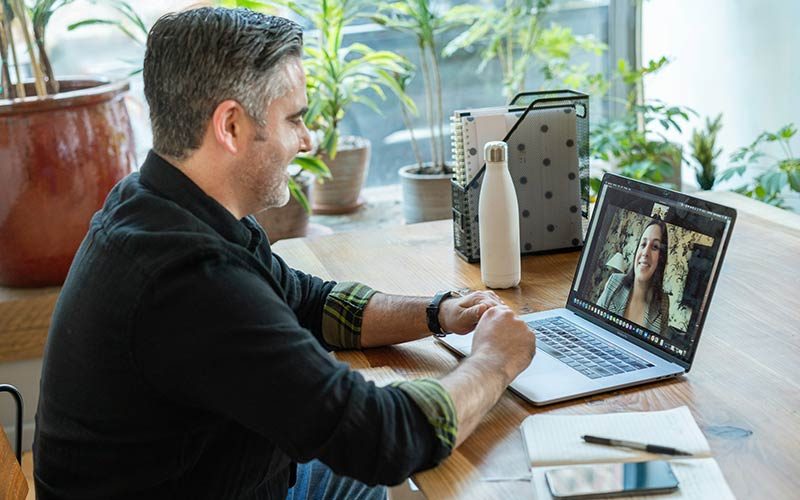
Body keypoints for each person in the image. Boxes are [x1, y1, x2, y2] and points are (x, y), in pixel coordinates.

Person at [32, 8, 536, 499]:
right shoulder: (190, 282)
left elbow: (309, 303)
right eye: (294, 119)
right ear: (230, 126)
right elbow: (384, 439)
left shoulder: (160, 203)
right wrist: (494, 361)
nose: (307, 139)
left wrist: (439, 313)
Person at [597, 218, 671, 336]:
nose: (646, 252)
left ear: (661, 258)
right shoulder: (614, 282)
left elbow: (658, 348)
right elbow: (593, 323)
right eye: (643, 244)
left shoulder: (663, 302)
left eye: (655, 247)